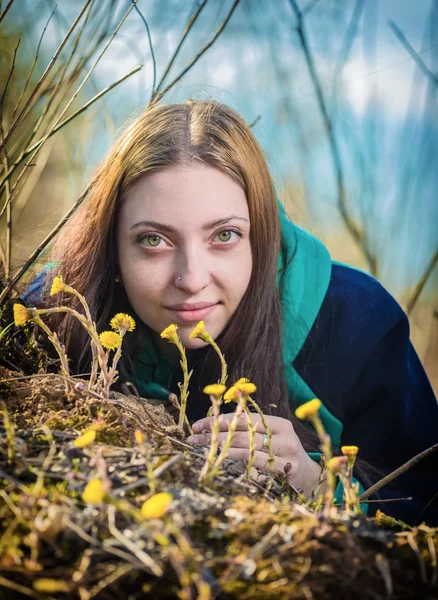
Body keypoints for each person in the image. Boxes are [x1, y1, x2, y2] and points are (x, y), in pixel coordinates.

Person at [25, 99, 437, 525]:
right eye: (153, 240)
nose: (191, 278)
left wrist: (318, 484)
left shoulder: (360, 323)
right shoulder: (57, 308)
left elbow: (427, 506)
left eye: (224, 235)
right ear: (112, 245)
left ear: (261, 235)